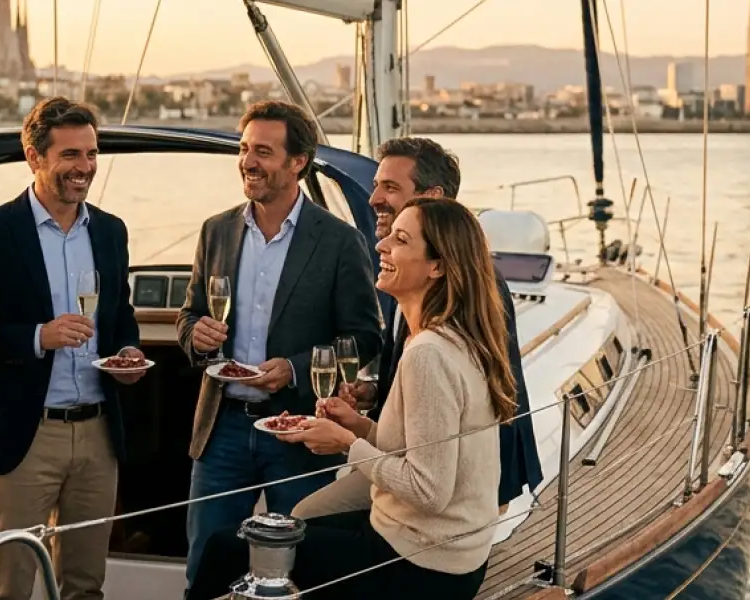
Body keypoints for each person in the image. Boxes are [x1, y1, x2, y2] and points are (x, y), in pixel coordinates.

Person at [186, 197, 509, 600]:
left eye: (401, 240)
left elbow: (429, 489)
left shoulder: (429, 353)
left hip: (421, 564)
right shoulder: (450, 338)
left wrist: (346, 444)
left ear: (437, 266)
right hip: (444, 552)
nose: (382, 246)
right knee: (298, 521)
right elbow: (423, 449)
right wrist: (359, 425)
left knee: (225, 549)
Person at [175, 100, 381, 595]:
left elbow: (364, 336)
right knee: (205, 560)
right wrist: (195, 334)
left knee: (298, 564)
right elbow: (189, 316)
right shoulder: (216, 230)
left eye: (263, 151)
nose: (248, 161)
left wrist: (293, 368)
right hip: (221, 429)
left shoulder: (338, 241)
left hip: (299, 434)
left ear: (297, 162)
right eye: (244, 149)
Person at [0, 96, 145, 600]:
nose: (84, 168)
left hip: (99, 431)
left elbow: (118, 316)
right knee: (6, 585)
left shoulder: (110, 230)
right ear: (34, 157)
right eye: (70, 156)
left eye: (90, 154)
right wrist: (40, 336)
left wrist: (126, 354)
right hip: (25, 435)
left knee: (85, 584)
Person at [347, 137, 542, 509]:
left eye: (391, 187)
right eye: (376, 186)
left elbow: (481, 393)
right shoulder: (404, 271)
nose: (374, 199)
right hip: (413, 460)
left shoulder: (474, 287)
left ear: (433, 196)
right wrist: (377, 392)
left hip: (464, 485)